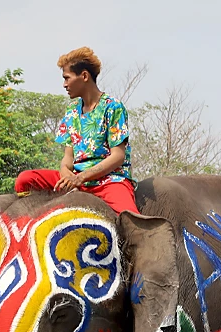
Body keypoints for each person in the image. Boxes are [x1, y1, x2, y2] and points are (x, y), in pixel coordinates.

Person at [14, 47, 139, 214]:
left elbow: (118, 156)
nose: (64, 84)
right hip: (76, 180)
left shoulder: (112, 106)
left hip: (108, 181)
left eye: (67, 78)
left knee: (129, 217)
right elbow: (68, 158)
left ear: (84, 76)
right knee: (25, 180)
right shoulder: (72, 110)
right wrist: (67, 175)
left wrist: (81, 178)